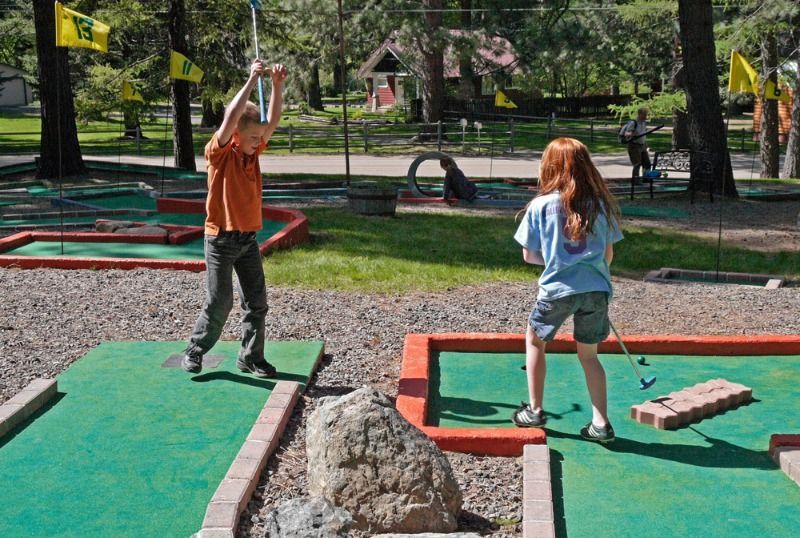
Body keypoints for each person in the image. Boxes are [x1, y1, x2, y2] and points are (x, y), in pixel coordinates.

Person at [512, 137, 623, 443]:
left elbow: (529, 255)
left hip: (557, 288)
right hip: (596, 289)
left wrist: (555, 260)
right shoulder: (600, 206)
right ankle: (601, 423)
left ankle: (534, 410)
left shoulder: (540, 206)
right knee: (589, 355)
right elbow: (608, 256)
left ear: (549, 167)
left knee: (535, 341)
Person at [181, 59, 287, 377]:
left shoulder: (252, 154)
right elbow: (230, 116)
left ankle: (250, 357)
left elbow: (272, 121)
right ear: (236, 135)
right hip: (220, 239)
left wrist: (277, 86)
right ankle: (195, 350)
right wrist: (252, 79)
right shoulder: (219, 153)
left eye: (260, 137)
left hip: (247, 240)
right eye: (253, 136)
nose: (259, 141)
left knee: (257, 302)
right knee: (220, 302)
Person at [623, 108, 651, 183]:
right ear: (640, 114)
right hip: (634, 146)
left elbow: (644, 134)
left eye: (646, 114)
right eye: (644, 114)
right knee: (637, 164)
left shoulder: (644, 123)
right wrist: (632, 134)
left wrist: (646, 144)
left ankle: (646, 178)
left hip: (642, 145)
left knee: (647, 163)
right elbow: (626, 133)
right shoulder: (633, 123)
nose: (646, 116)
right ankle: (636, 181)